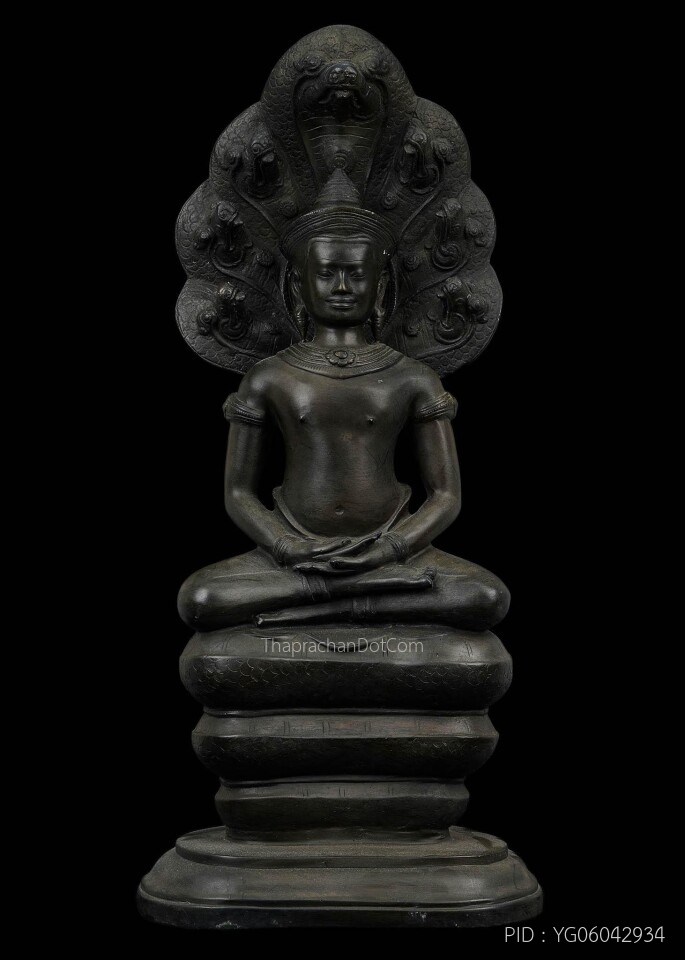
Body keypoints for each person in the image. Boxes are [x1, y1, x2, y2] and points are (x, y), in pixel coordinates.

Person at [178, 172, 509, 631]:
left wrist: (391, 548)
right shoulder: (268, 376)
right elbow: (237, 492)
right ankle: (359, 595)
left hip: (393, 547)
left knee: (487, 596)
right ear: (300, 283)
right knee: (200, 598)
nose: (341, 286)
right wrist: (286, 547)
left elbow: (446, 494)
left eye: (356, 274)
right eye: (326, 273)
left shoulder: (413, 377)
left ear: (380, 283)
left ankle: (330, 597)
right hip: (296, 551)